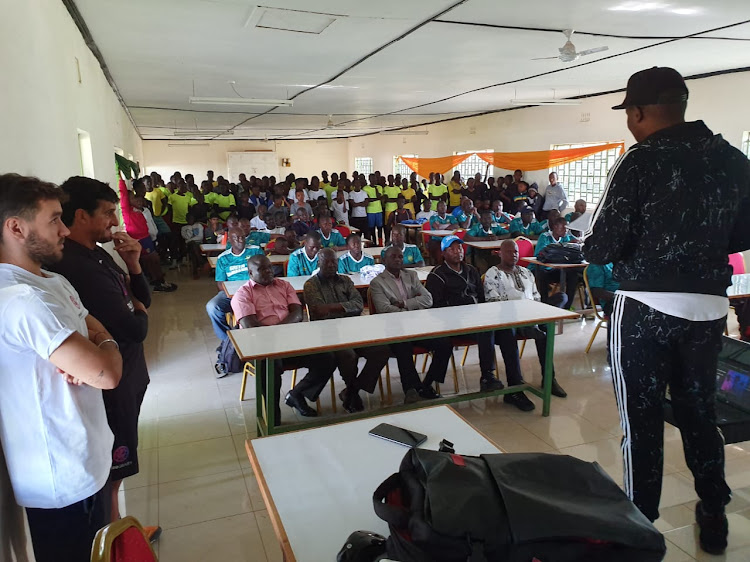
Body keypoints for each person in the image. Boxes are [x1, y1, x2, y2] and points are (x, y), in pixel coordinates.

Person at [583, 67, 750, 552]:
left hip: (645, 309)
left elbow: (604, 245)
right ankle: (713, 512)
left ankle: (640, 524)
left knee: (642, 420)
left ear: (636, 112)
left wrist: (599, 244)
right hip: (708, 308)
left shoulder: (639, 160)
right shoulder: (732, 158)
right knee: (700, 413)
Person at [0, 173, 123, 562]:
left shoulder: (53, 281)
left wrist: (97, 348)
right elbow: (108, 374)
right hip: (60, 472)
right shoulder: (19, 299)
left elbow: (99, 337)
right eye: (54, 219)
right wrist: (99, 351)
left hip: (89, 452)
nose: (65, 230)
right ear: (16, 227)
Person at [49, 176, 160, 538]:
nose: (115, 222)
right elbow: (135, 328)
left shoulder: (98, 255)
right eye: (109, 213)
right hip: (110, 383)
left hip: (128, 373)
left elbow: (144, 298)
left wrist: (133, 263)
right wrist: (138, 311)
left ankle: (121, 534)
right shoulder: (76, 266)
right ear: (82, 215)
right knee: (112, 470)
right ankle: (116, 545)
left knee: (118, 468)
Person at [231, 255, 337, 422]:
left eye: (269, 267)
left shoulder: (284, 285)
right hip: (262, 345)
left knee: (327, 357)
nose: (268, 271)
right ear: (250, 273)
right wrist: (277, 335)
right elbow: (251, 326)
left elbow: (297, 313)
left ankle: (297, 394)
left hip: (290, 339)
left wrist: (279, 332)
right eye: (262, 269)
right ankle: (273, 417)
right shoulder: (242, 294)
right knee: (269, 366)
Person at [304, 249, 390, 412]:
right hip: (328, 333)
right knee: (348, 355)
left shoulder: (346, 280)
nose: (331, 265)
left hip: (353, 330)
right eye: (327, 261)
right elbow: (319, 312)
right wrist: (344, 307)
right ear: (318, 263)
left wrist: (332, 307)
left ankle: (352, 390)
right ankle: (353, 393)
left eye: (334, 261)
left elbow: (358, 304)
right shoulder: (311, 285)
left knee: (382, 349)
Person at [484, 240, 567, 402]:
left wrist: (535, 312)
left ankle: (549, 379)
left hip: (532, 314)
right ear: (500, 253)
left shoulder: (526, 272)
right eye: (508, 252)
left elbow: (536, 297)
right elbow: (493, 303)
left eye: (515, 251)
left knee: (560, 300)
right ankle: (515, 388)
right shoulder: (493, 273)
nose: (513, 254)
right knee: (511, 332)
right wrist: (520, 310)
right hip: (508, 319)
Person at [370, 246, 453, 402]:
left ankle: (427, 384)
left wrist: (403, 304)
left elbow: (428, 300)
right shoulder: (377, 283)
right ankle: (411, 388)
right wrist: (413, 306)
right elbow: (384, 309)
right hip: (394, 329)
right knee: (403, 347)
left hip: (417, 326)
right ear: (384, 260)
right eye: (393, 257)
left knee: (445, 343)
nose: (398, 259)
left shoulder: (411, 275)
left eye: (400, 257)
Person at [425, 236, 506, 393]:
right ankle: (429, 383)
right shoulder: (437, 275)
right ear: (443, 253)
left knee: (491, 329)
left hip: (474, 320)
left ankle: (487, 376)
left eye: (460, 248)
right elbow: (436, 307)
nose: (458, 252)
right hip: (451, 322)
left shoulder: (471, 270)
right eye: (452, 249)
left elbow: (481, 298)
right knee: (483, 330)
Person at [205, 228, 264, 346]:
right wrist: (235, 291)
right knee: (212, 307)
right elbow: (220, 283)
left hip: (256, 290)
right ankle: (228, 340)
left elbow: (265, 273)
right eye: (236, 238)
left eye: (242, 237)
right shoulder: (223, 258)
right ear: (230, 240)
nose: (240, 240)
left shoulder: (255, 251)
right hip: (232, 294)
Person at [533, 217, 581, 307]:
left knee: (573, 275)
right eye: (563, 228)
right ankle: (544, 304)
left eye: (567, 229)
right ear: (555, 227)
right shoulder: (545, 236)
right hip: (542, 269)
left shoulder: (566, 237)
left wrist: (575, 243)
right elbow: (539, 255)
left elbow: (578, 240)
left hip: (557, 270)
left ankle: (567, 307)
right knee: (542, 275)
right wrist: (563, 246)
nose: (566, 231)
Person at [181, 213, 205, 279]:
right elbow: (186, 237)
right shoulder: (184, 228)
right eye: (188, 219)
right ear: (186, 219)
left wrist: (190, 240)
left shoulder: (199, 225)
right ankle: (200, 261)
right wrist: (189, 228)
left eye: (191, 218)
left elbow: (200, 237)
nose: (190, 220)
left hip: (199, 244)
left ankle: (195, 271)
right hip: (189, 245)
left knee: (193, 250)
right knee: (193, 246)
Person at [363, 175, 384, 245]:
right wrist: (377, 199)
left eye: (375, 179)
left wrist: (376, 189)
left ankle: (380, 243)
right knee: (372, 228)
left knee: (380, 228)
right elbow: (368, 199)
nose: (374, 180)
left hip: (379, 210)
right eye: (372, 179)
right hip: (370, 210)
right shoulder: (365, 188)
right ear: (369, 179)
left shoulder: (379, 187)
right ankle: (374, 242)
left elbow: (379, 196)